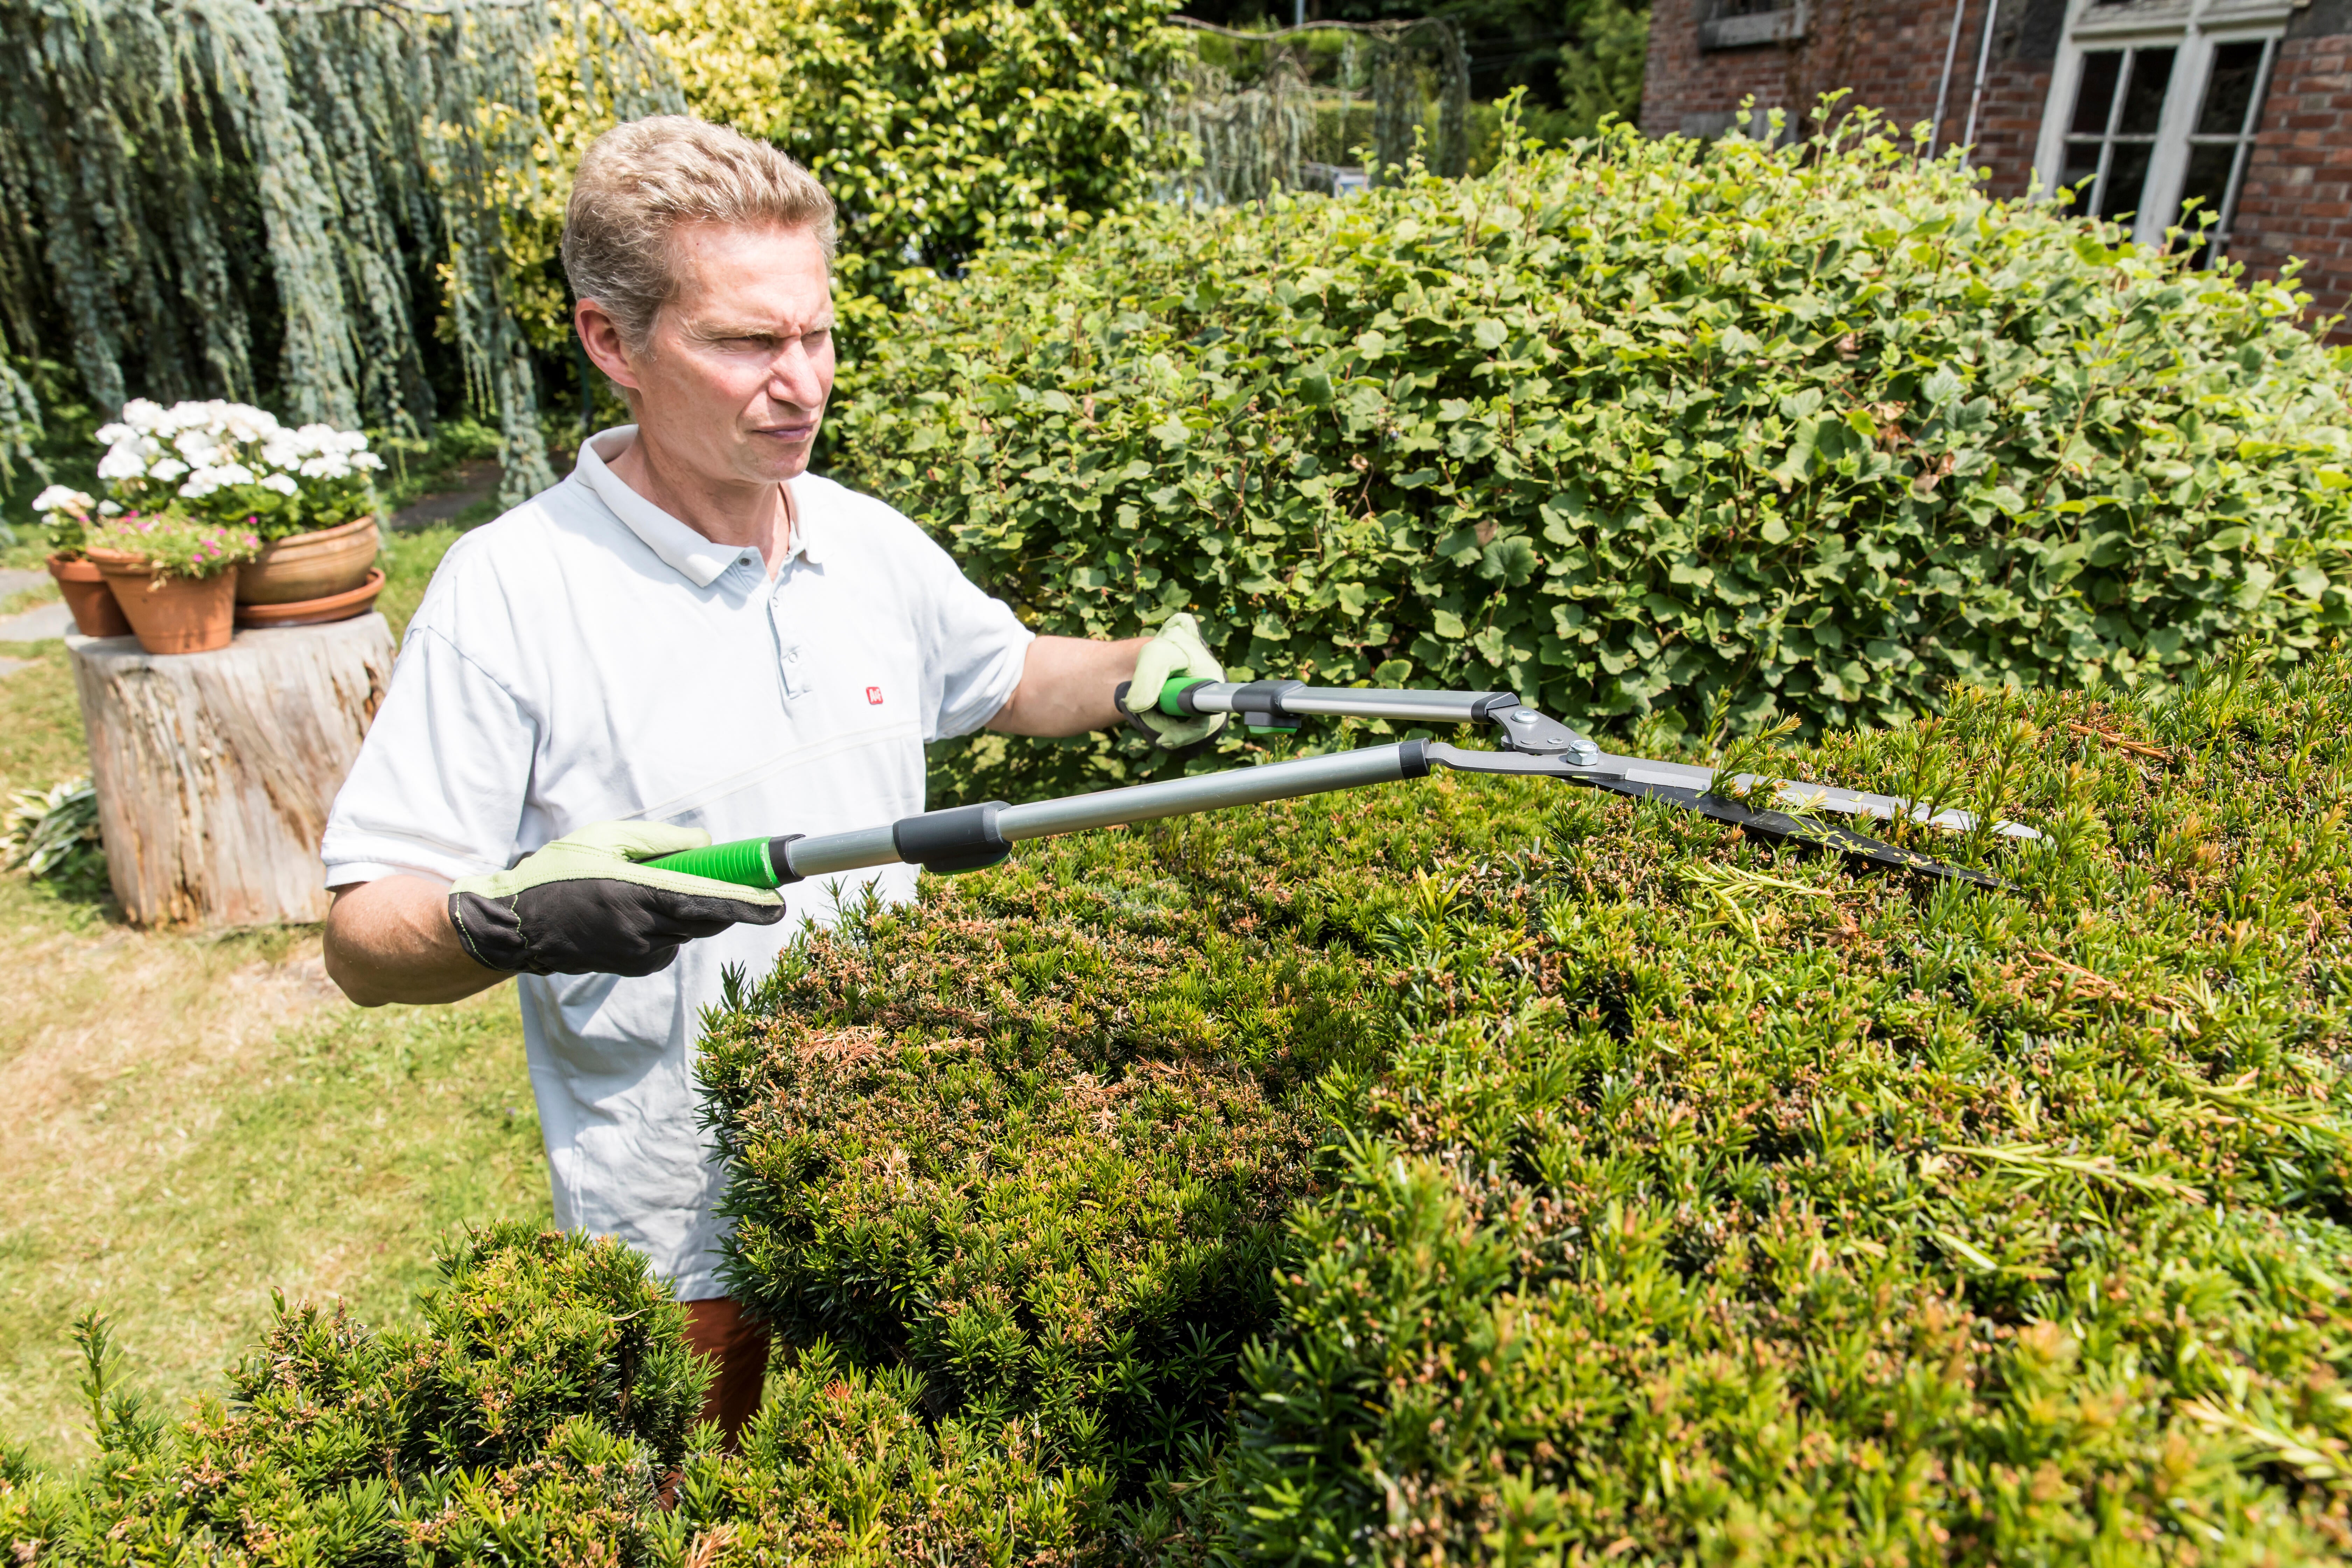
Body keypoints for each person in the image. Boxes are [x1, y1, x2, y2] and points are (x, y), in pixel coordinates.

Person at [318, 115, 1226, 1443]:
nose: (799, 383)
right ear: (609, 342)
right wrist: (505, 920)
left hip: (908, 1154)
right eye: (745, 343)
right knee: (708, 1507)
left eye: (816, 335)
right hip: (681, 1226)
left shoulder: (863, 540)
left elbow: (1013, 675)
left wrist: (1145, 665)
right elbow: (359, 935)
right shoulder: (512, 593)